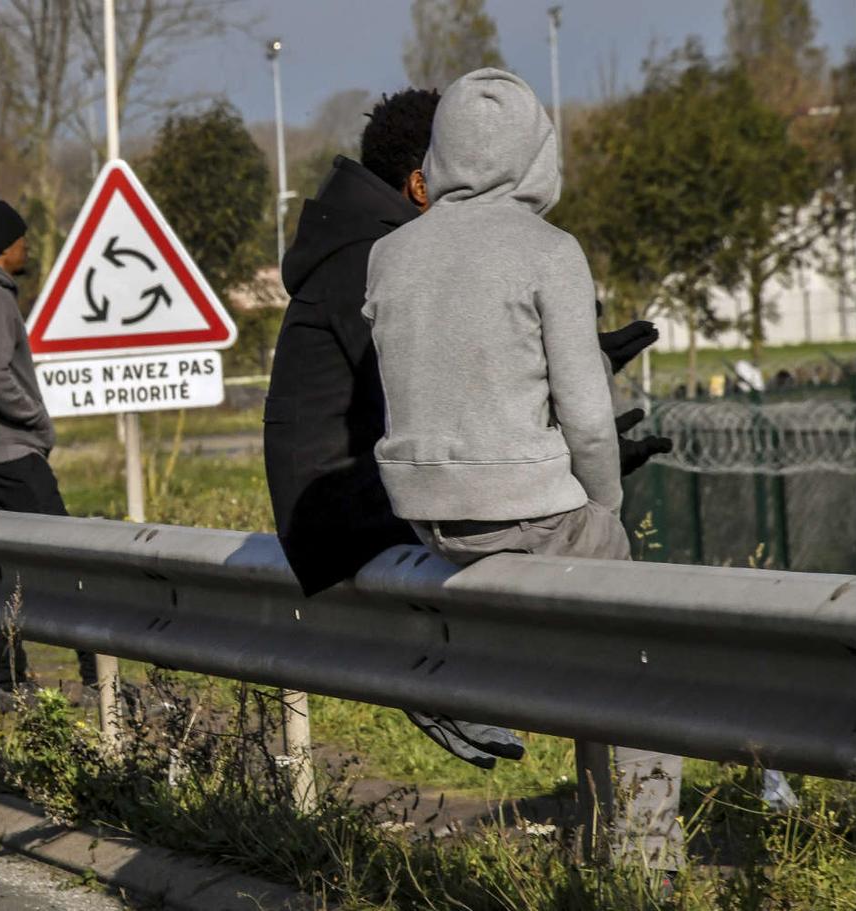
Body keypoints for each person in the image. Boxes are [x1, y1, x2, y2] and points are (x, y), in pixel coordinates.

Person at [363, 68, 680, 868]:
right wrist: (602, 507)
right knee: (640, 652)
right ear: (537, 151)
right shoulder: (549, 250)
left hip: (427, 516)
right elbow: (585, 412)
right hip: (526, 507)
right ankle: (642, 856)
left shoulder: (390, 253)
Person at [264, 89, 525, 770]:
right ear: (418, 185)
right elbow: (422, 385)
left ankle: (451, 673)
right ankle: (431, 674)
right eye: (458, 172)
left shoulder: (376, 242)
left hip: (347, 488)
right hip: (335, 509)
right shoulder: (372, 257)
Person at [0, 199, 98, 704]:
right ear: (5, 246)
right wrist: (35, 417)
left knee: (5, 571)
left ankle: (8, 681)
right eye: (22, 238)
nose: (28, 245)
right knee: (69, 564)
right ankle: (99, 677)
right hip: (9, 452)